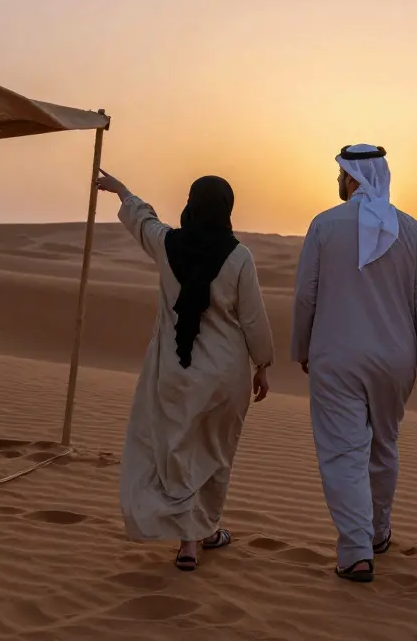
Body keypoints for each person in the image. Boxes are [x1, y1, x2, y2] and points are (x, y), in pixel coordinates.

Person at [95, 170, 275, 571]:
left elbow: (145, 222)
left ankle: (188, 543)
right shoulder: (239, 256)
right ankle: (206, 530)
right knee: (215, 453)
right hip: (226, 375)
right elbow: (253, 320)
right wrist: (262, 364)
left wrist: (122, 190)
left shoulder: (167, 244)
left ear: (192, 204)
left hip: (177, 370)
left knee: (178, 451)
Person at [291, 144, 417, 583]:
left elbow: (306, 295)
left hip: (336, 356)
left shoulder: (324, 225)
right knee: (384, 445)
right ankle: (378, 532)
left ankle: (357, 550)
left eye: (340, 173)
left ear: (351, 176)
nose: (337, 182)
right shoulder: (410, 228)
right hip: (396, 359)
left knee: (344, 453)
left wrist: (301, 347)